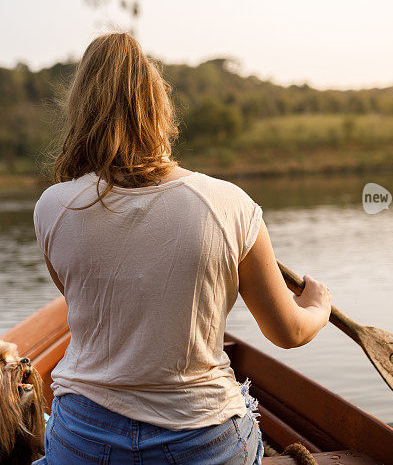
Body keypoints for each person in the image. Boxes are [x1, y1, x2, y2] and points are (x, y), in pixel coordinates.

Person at [33, 32, 332, 464]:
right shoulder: (230, 205)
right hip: (201, 440)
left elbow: (81, 295)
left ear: (81, 112)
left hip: (83, 438)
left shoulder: (53, 208)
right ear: (158, 107)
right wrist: (318, 305)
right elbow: (287, 332)